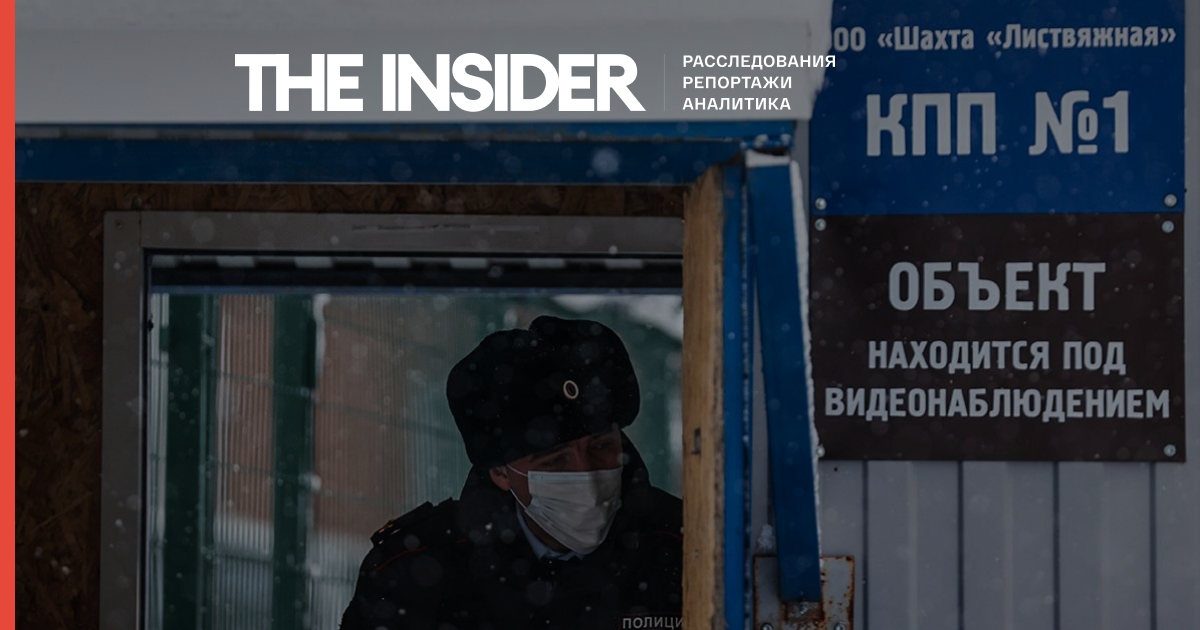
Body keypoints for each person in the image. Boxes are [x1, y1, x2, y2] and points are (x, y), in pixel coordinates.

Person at [340, 316, 683, 630]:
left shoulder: (687, 548)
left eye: (602, 447)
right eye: (555, 462)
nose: (589, 479)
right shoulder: (410, 575)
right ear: (501, 473)